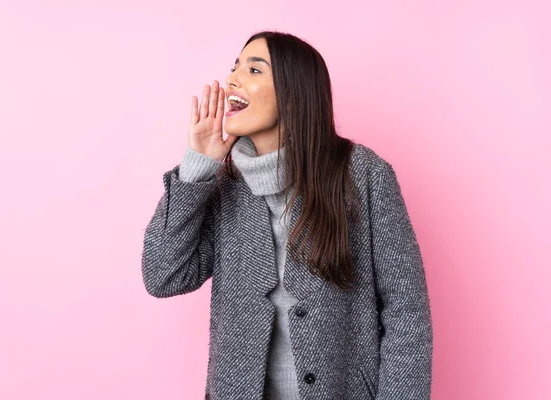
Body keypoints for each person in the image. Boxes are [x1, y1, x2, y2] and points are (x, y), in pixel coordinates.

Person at [141, 31, 433, 400]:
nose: (233, 78)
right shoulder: (224, 184)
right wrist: (198, 166)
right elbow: (163, 275)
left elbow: (406, 311)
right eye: (234, 68)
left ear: (294, 94)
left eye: (254, 69)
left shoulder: (363, 175)